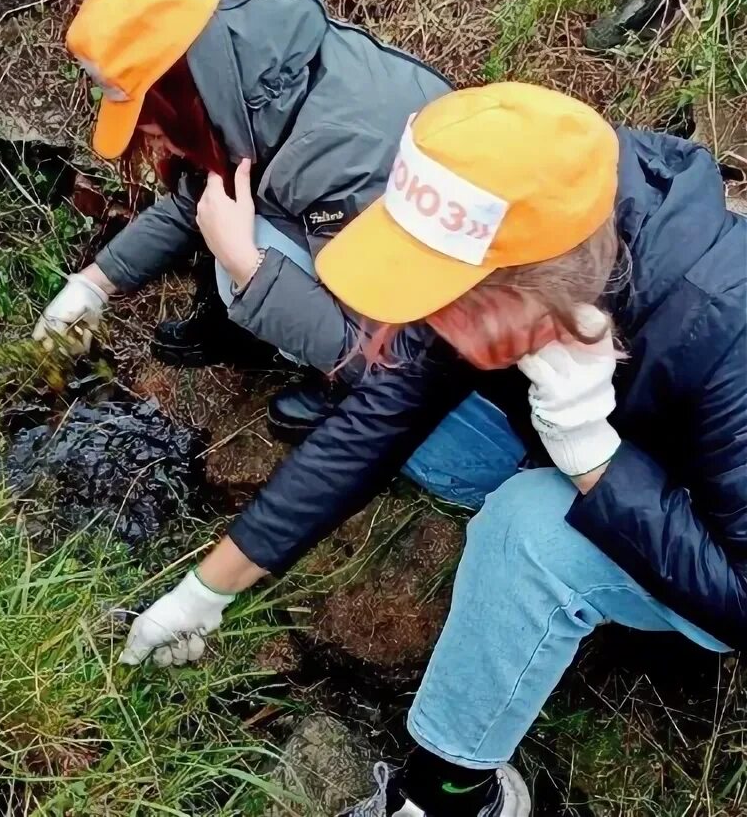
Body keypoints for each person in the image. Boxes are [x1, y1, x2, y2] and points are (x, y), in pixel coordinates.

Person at [119, 83, 747, 817]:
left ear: (533, 286)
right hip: (608, 437)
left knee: (526, 527)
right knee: (429, 426)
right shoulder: (536, 218)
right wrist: (204, 593)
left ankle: (452, 797)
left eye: (445, 296)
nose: (423, 316)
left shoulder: (723, 327)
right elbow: (374, 424)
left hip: (712, 540)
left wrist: (588, 454)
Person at [32, 0, 451, 439]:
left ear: (182, 92)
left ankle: (333, 389)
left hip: (420, 329)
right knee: (229, 223)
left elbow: (384, 360)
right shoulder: (253, 72)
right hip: (366, 235)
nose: (154, 144)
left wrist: (247, 270)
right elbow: (203, 195)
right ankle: (251, 322)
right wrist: (94, 283)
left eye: (154, 127)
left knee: (243, 250)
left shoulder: (336, 155)